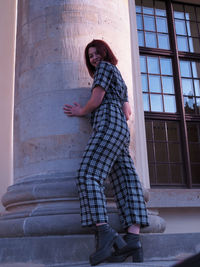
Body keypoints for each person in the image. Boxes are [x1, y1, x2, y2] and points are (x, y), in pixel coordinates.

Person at [63, 39, 149, 266]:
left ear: (105, 52)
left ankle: (105, 231)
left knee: (87, 175)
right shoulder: (120, 80)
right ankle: (133, 239)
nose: (94, 58)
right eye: (90, 56)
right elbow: (128, 113)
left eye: (96, 53)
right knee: (127, 181)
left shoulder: (104, 68)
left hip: (109, 124)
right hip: (121, 129)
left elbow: (97, 97)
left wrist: (82, 110)